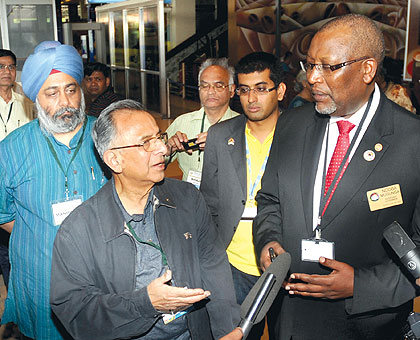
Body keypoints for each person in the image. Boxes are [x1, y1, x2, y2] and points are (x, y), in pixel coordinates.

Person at [253, 14, 420, 340]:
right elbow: (270, 198)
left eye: (328, 67)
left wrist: (361, 285)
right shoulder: (292, 125)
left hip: (365, 325)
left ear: (367, 70)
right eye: (309, 64)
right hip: (291, 318)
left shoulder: (412, 142)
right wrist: (268, 240)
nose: (312, 78)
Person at [50, 99, 240, 340]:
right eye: (145, 143)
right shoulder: (78, 230)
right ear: (114, 160)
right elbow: (76, 313)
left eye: (159, 137)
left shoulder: (187, 198)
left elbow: (213, 264)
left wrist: (227, 329)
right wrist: (146, 303)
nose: (162, 148)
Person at [0, 41, 106, 340]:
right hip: (40, 273)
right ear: (35, 97)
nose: (65, 101)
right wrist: (40, 232)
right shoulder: (11, 149)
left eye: (71, 89)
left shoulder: (106, 136)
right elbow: (1, 212)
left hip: (100, 274)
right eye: (52, 92)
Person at [201, 52, 286, 340]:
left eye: (261, 89)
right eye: (245, 89)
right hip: (232, 264)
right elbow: (208, 202)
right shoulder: (219, 136)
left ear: (281, 90)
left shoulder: (299, 136)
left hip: (283, 265)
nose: (252, 98)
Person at [165, 58, 239, 187]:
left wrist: (221, 148)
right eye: (204, 85)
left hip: (227, 199)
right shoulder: (182, 122)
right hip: (190, 198)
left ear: (232, 90)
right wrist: (167, 149)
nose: (210, 91)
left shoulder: (242, 126)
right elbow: (153, 162)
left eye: (218, 85)